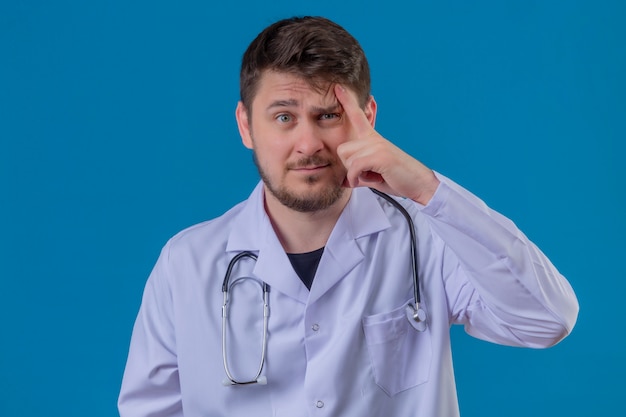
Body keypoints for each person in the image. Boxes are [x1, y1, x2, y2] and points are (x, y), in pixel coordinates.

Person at [118, 16, 578, 417]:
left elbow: (546, 320)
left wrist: (425, 188)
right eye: (283, 117)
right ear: (245, 125)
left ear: (368, 116)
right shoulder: (187, 263)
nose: (308, 144)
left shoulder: (427, 238)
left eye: (328, 115)